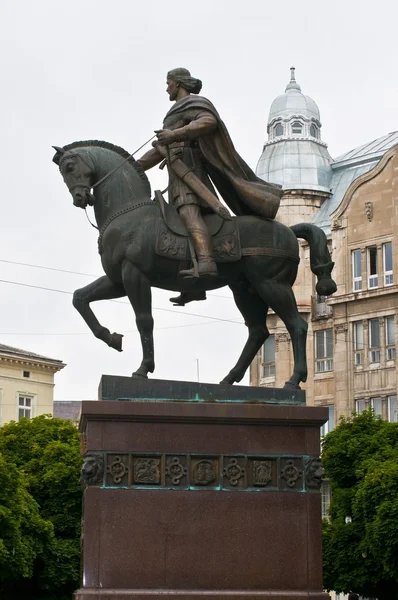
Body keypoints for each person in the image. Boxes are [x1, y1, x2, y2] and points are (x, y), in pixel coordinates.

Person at [137, 67, 282, 286]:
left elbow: (208, 121)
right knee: (179, 220)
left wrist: (174, 134)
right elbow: (158, 152)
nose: (167, 87)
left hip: (189, 170)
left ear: (179, 83)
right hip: (177, 172)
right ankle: (191, 280)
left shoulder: (192, 104)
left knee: (188, 212)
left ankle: (206, 262)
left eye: (169, 83)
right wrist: (130, 167)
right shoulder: (176, 110)